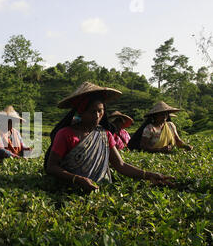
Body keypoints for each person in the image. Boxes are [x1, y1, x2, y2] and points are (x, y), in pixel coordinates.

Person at [44, 82, 174, 192]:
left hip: (100, 189)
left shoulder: (104, 134)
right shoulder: (66, 134)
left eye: (100, 111)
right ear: (81, 112)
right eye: (92, 111)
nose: (97, 115)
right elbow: (52, 167)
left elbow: (120, 165)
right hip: (68, 189)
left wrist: (149, 175)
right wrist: (77, 179)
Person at [128, 101, 193, 153]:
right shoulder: (150, 129)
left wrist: (186, 146)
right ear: (155, 116)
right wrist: (159, 150)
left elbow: (178, 141)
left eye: (166, 114)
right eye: (161, 114)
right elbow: (143, 147)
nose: (164, 116)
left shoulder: (170, 125)